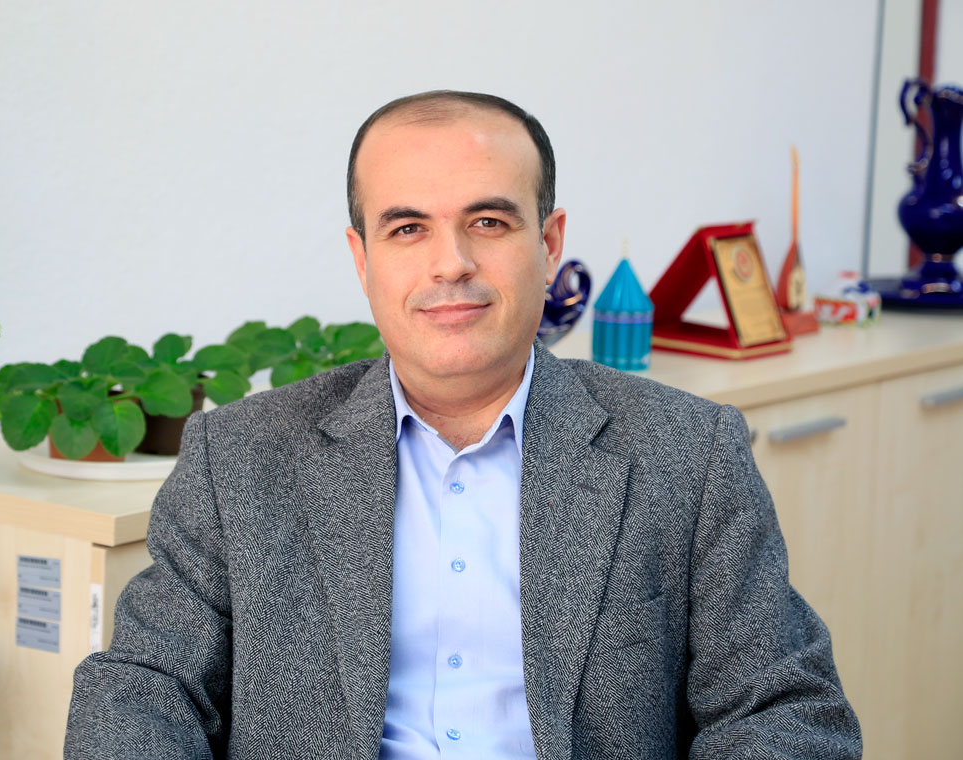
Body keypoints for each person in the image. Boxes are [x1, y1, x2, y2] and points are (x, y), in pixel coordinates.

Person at [65, 91, 861, 759]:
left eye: (488, 222)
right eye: (408, 228)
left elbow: (784, 711)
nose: (450, 263)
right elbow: (141, 687)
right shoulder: (240, 457)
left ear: (549, 244)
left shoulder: (687, 454)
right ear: (363, 258)